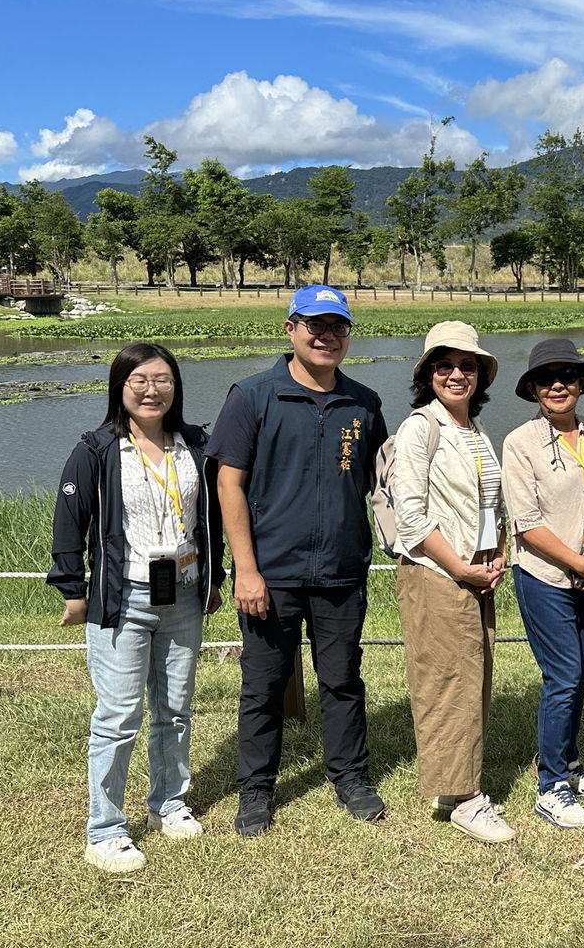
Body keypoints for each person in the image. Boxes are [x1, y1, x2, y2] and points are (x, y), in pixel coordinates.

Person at [207, 285, 388, 836]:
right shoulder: (254, 395)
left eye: (337, 326)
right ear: (290, 329)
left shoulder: (364, 403)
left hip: (340, 570)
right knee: (262, 684)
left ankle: (350, 776)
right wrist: (247, 569)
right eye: (314, 324)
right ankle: (257, 789)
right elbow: (228, 483)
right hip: (272, 573)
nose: (325, 336)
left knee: (342, 679)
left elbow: (379, 483)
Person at [49, 343, 224, 873]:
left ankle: (169, 804)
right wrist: (74, 590)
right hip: (122, 597)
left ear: (176, 386)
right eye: (139, 380)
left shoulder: (194, 444)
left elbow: (211, 519)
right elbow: (68, 523)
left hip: (185, 595)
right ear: (119, 387)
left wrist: (215, 578)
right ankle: (104, 829)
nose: (152, 390)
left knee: (175, 708)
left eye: (163, 379)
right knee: (119, 715)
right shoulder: (97, 449)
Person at [502, 338, 584, 829]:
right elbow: (525, 521)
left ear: (581, 383)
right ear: (534, 389)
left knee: (579, 672)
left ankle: (570, 765)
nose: (558, 384)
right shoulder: (519, 443)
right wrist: (582, 567)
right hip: (546, 576)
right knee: (563, 677)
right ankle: (551, 785)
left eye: (568, 375)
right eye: (546, 378)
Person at [391, 321, 515, 843]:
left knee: (470, 678)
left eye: (468, 365)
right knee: (448, 684)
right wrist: (461, 567)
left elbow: (488, 503)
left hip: (473, 573)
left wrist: (498, 551)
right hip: (438, 573)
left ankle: (453, 783)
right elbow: (411, 517)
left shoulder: (474, 431)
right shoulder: (421, 427)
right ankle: (465, 798)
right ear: (428, 374)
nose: (457, 374)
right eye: (445, 364)